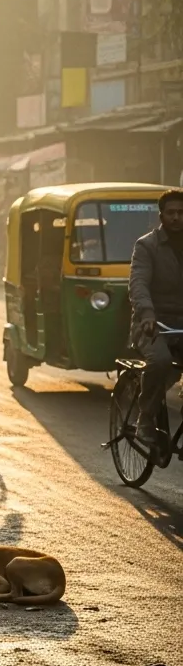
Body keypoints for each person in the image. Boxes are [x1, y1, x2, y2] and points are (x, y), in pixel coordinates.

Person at [128, 189, 183, 466]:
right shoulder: (146, 246)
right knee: (160, 361)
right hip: (152, 324)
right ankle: (145, 418)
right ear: (161, 215)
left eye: (181, 213)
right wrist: (147, 314)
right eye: (171, 212)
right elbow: (138, 284)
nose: (176, 217)